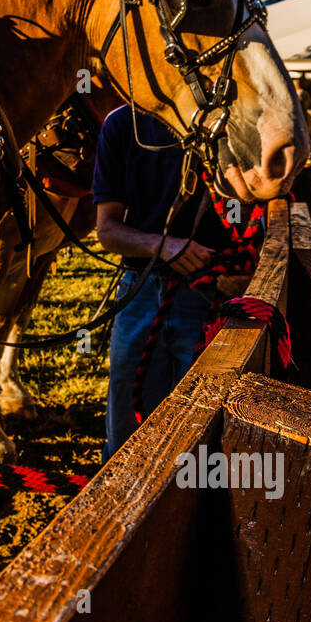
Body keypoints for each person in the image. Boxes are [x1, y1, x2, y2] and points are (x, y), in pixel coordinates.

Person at [93, 104, 234, 457]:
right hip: (139, 289)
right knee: (126, 431)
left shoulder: (230, 122)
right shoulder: (122, 123)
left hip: (211, 296)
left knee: (202, 432)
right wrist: (162, 246)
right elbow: (107, 230)